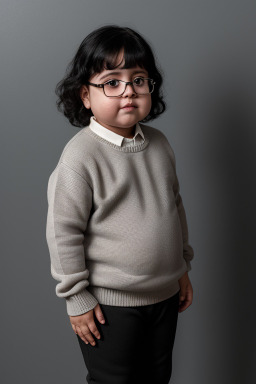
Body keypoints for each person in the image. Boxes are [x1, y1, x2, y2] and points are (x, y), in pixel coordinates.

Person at [46, 24, 194, 384]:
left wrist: (182, 267)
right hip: (110, 305)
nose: (128, 91)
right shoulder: (80, 157)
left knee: (157, 376)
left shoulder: (159, 143)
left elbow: (173, 206)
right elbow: (63, 231)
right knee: (115, 380)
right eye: (112, 82)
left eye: (139, 79)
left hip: (164, 294)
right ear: (85, 95)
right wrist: (76, 298)